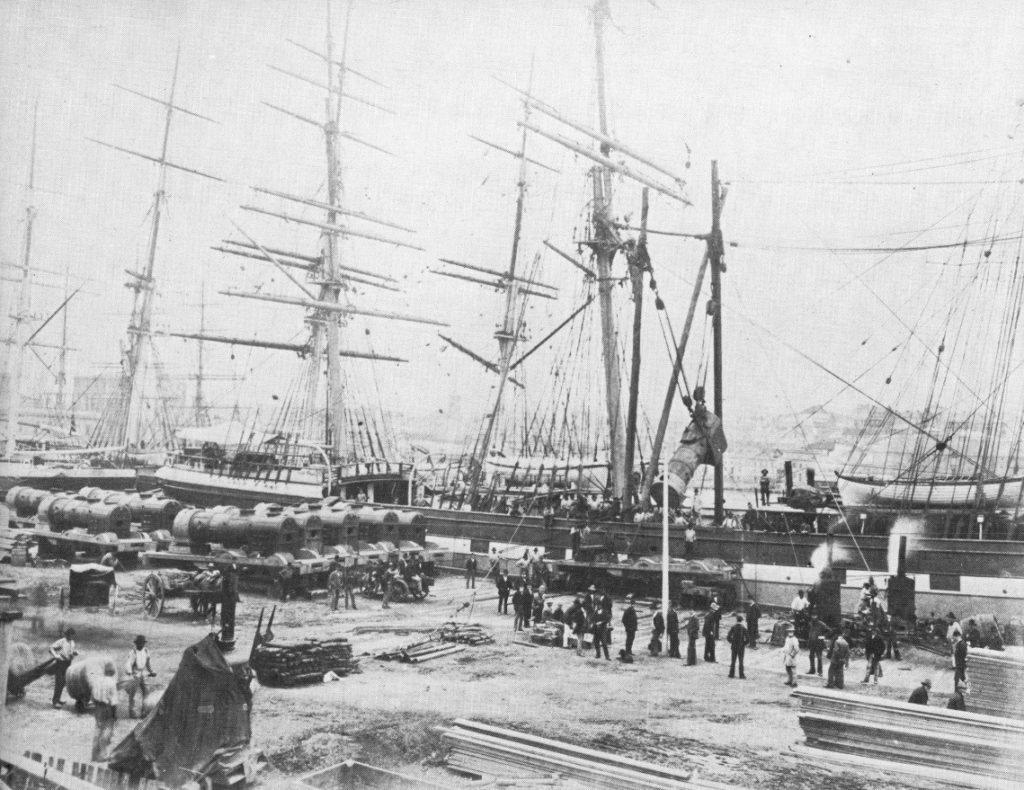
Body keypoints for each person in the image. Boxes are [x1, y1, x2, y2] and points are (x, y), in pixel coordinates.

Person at [91, 661, 118, 761]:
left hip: (98, 707)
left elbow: (92, 696)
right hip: (107, 708)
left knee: (97, 729)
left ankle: (94, 754)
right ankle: (103, 755)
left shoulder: (97, 680)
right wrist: (114, 715)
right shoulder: (112, 682)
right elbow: (114, 701)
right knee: (106, 732)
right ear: (113, 672)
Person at [125, 635, 156, 718]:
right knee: (133, 695)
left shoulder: (146, 651)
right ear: (136, 644)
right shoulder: (133, 652)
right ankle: (132, 713)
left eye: (142, 643)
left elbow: (148, 663)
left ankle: (144, 712)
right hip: (135, 673)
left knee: (146, 693)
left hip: (143, 673)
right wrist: (130, 673)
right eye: (139, 643)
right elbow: (129, 663)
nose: (140, 645)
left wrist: (151, 671)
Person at [50, 628, 77, 708]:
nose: (71, 637)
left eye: (72, 635)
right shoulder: (62, 641)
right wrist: (56, 655)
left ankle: (58, 699)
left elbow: (71, 652)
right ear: (67, 634)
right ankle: (55, 702)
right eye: (70, 635)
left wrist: (74, 653)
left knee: (63, 682)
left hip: (68, 663)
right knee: (59, 682)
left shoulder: (72, 642)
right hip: (60, 663)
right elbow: (51, 648)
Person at [727, 614, 747, 679]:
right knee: (741, 661)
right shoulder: (743, 628)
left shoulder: (733, 627)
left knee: (733, 661)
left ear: (736, 620)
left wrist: (732, 642)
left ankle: (731, 674)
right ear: (741, 621)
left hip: (734, 646)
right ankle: (741, 675)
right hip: (741, 647)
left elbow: (728, 637)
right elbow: (748, 639)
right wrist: (744, 644)